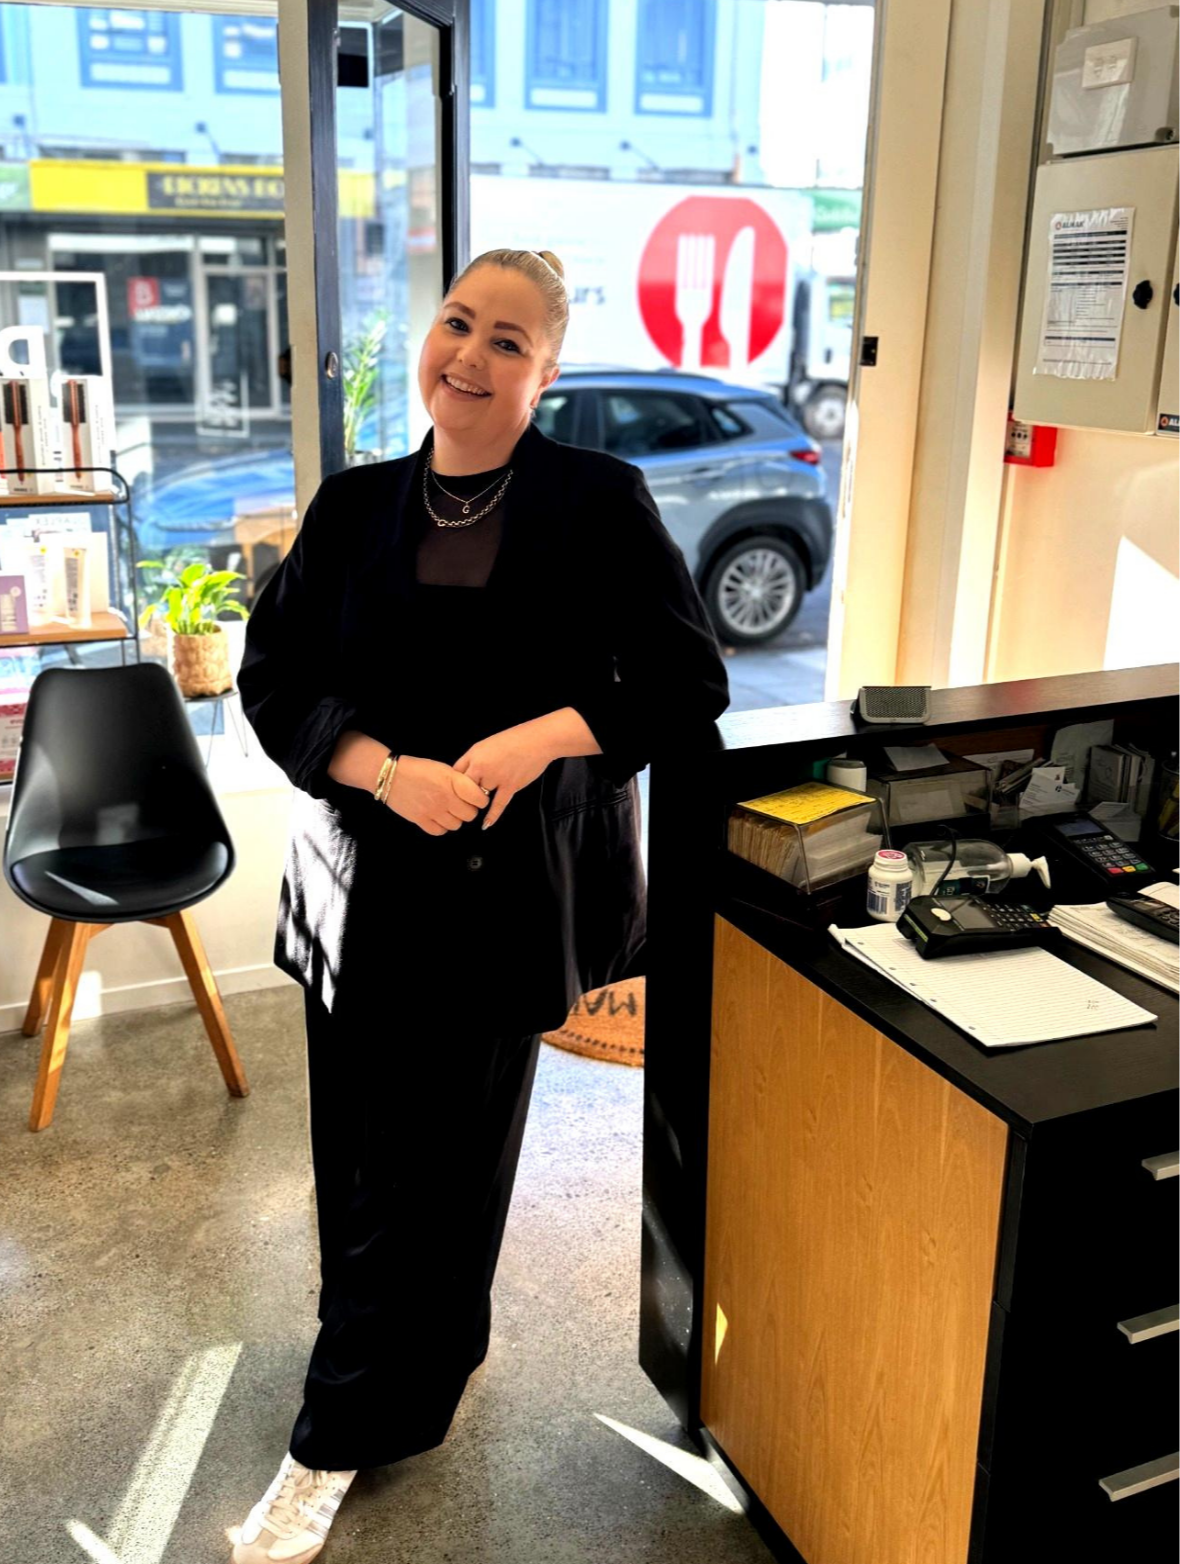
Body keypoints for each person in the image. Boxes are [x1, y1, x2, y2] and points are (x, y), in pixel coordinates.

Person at [230, 247, 731, 1563]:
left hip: (505, 893)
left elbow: (681, 682)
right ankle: (401, 1361)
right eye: (458, 322)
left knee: (445, 1164)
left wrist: (532, 742)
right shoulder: (351, 507)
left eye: (507, 339)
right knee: (361, 1156)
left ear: (544, 371)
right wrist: (381, 769)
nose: (471, 353)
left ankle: (343, 1426)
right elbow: (274, 677)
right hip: (359, 881)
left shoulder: (596, 500)